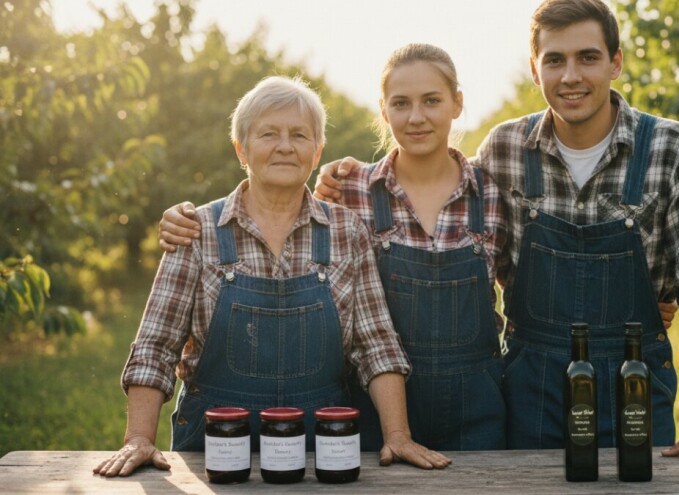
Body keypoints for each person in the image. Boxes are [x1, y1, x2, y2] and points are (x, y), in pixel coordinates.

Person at [311, 0, 679, 467]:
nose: (571, 76)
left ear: (616, 62)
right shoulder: (505, 150)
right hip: (531, 389)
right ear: (535, 71)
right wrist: (347, 179)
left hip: (635, 383)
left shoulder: (673, 148)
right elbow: (447, 207)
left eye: (588, 57)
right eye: (555, 60)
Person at [93, 76, 450, 478]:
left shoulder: (346, 232)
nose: (285, 145)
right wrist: (139, 438)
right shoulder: (199, 230)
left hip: (324, 451)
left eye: (299, 135)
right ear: (240, 148)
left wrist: (397, 435)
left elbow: (376, 345)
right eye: (268, 134)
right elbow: (156, 345)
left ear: (316, 153)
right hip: (214, 450)